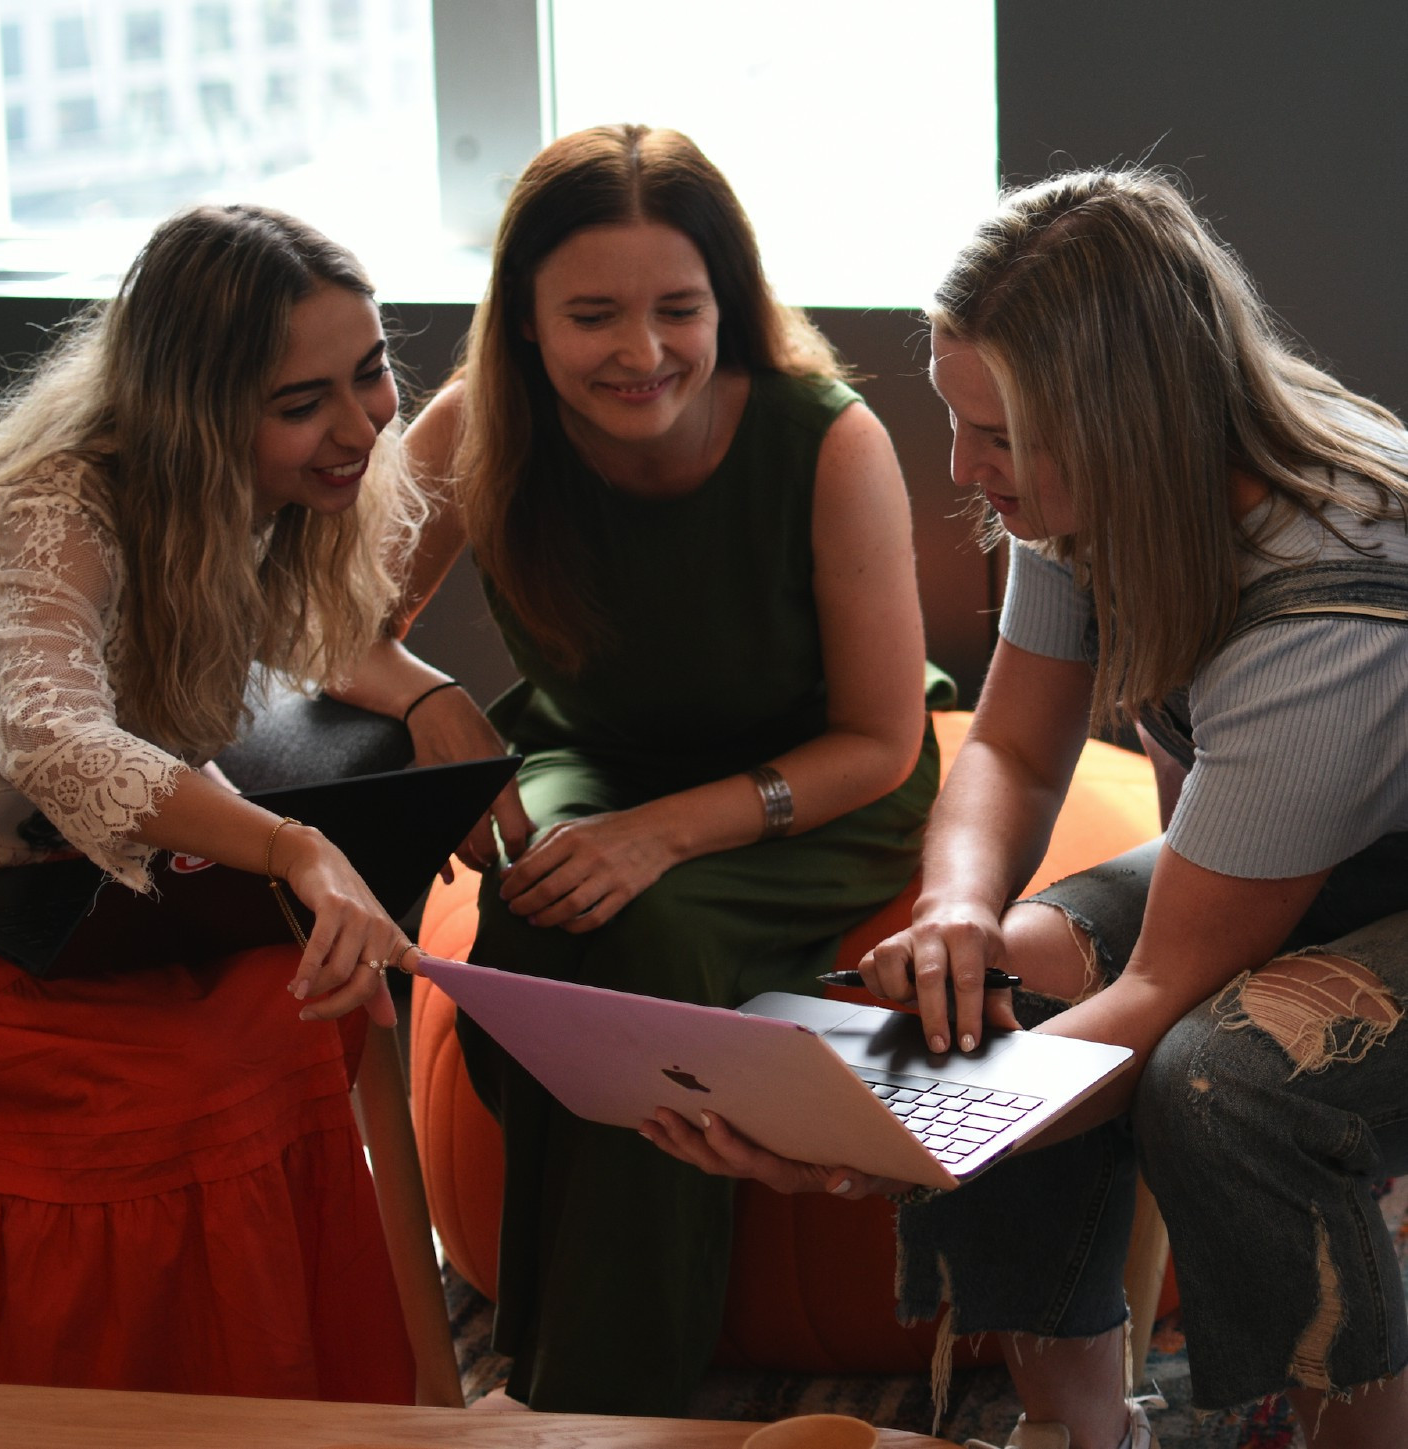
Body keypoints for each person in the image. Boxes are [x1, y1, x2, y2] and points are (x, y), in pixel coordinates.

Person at [644, 167, 1408, 1449]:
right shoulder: (1101, 488)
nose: (961, 467)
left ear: (1126, 422)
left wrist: (883, 1133)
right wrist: (955, 917)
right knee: (968, 998)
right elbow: (1005, 740)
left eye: (996, 437)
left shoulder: (1338, 600)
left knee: (1220, 1085)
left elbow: (1164, 996)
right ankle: (1081, 1429)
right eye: (958, 421)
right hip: (1304, 848)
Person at [396, 122, 946, 1415]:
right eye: (593, 314)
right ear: (525, 320)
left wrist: (665, 834)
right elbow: (322, 629)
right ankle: (566, 1362)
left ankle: (594, 1395)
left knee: (630, 930)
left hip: (818, 780)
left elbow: (878, 741)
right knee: (531, 921)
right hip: (592, 750)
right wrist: (430, 701)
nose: (642, 353)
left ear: (729, 303)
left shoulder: (828, 438)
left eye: (680, 309)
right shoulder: (475, 425)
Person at [0, 203, 445, 1402]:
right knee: (176, 1082)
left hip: (36, 890)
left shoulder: (232, 506)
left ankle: (361, 1405)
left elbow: (266, 661)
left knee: (295, 1003)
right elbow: (54, 738)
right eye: (304, 404)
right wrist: (292, 845)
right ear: (195, 417)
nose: (360, 425)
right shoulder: (49, 506)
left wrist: (428, 693)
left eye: (370, 375)